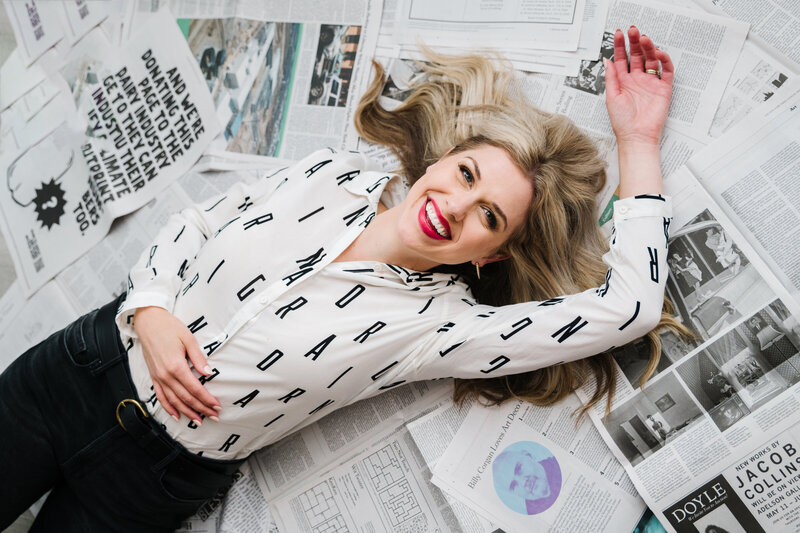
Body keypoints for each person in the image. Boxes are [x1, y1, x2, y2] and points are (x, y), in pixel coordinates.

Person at [1, 27, 683, 531]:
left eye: (489, 217)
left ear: (491, 256)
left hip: (147, 478)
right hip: (77, 368)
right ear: (444, 159)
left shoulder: (438, 327)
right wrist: (149, 310)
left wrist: (639, 144)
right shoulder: (333, 174)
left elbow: (629, 306)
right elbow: (198, 225)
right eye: (467, 175)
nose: (456, 207)